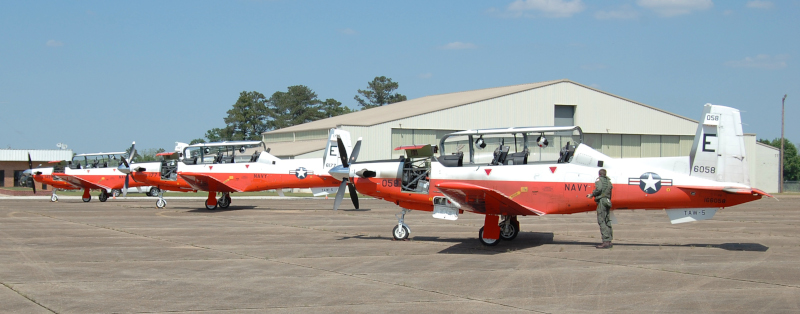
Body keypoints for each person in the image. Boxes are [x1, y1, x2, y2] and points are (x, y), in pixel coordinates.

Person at [587, 169, 613, 249]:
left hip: (602, 201)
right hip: (607, 201)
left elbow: (599, 189)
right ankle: (609, 241)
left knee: (601, 220)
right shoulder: (608, 181)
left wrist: (592, 194)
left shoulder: (599, 180)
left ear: (599, 174)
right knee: (607, 221)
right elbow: (610, 192)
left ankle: (605, 242)